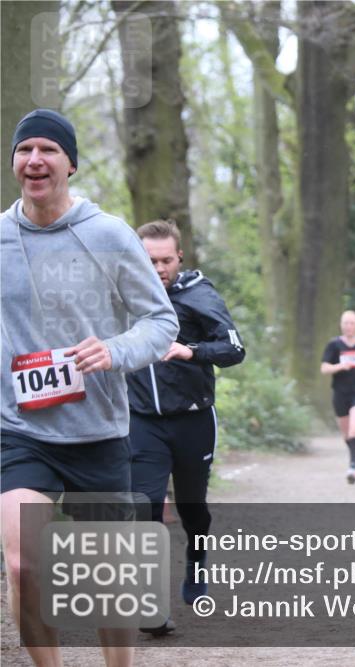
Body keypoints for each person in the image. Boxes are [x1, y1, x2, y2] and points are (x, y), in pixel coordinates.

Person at [1, 109, 179, 666]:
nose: (35, 160)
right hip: (19, 429)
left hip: (97, 430)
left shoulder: (107, 235)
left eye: (49, 150)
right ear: (14, 163)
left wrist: (114, 351)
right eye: (25, 149)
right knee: (23, 564)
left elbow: (160, 321)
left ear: (71, 163)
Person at [127, 220, 246, 636]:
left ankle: (197, 561)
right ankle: (151, 602)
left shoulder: (198, 294)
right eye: (149, 260)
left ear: (179, 257)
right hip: (141, 421)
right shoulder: (122, 293)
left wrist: (189, 350)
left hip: (193, 418)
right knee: (145, 508)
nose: (158, 268)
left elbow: (234, 349)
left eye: (165, 260)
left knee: (192, 508)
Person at [320, 310, 355, 483]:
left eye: (352, 323)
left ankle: (352, 466)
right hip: (340, 394)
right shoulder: (334, 345)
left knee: (354, 429)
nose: (349, 326)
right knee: (347, 435)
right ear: (341, 325)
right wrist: (340, 366)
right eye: (346, 323)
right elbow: (324, 368)